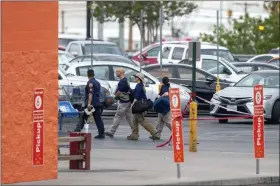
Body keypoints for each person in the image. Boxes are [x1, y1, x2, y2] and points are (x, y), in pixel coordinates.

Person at [127, 73, 158, 140]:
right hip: (141, 105)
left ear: (138, 78)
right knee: (134, 120)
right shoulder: (140, 85)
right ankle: (134, 134)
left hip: (139, 106)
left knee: (141, 121)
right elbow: (136, 93)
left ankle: (154, 132)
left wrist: (133, 103)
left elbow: (137, 95)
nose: (135, 78)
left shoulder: (139, 85)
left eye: (136, 77)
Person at [75, 69, 105, 139]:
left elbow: (90, 94)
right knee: (98, 119)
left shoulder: (90, 83)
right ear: (93, 74)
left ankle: (77, 130)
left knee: (83, 116)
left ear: (87, 75)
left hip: (91, 105)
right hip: (97, 103)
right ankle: (101, 133)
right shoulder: (97, 82)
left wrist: (88, 104)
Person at [105, 68, 133, 138]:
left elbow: (119, 92)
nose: (116, 73)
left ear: (120, 72)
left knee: (118, 116)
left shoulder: (122, 81)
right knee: (129, 117)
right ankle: (135, 131)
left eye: (117, 72)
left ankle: (111, 131)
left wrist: (114, 98)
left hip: (123, 102)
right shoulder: (124, 80)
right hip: (127, 101)